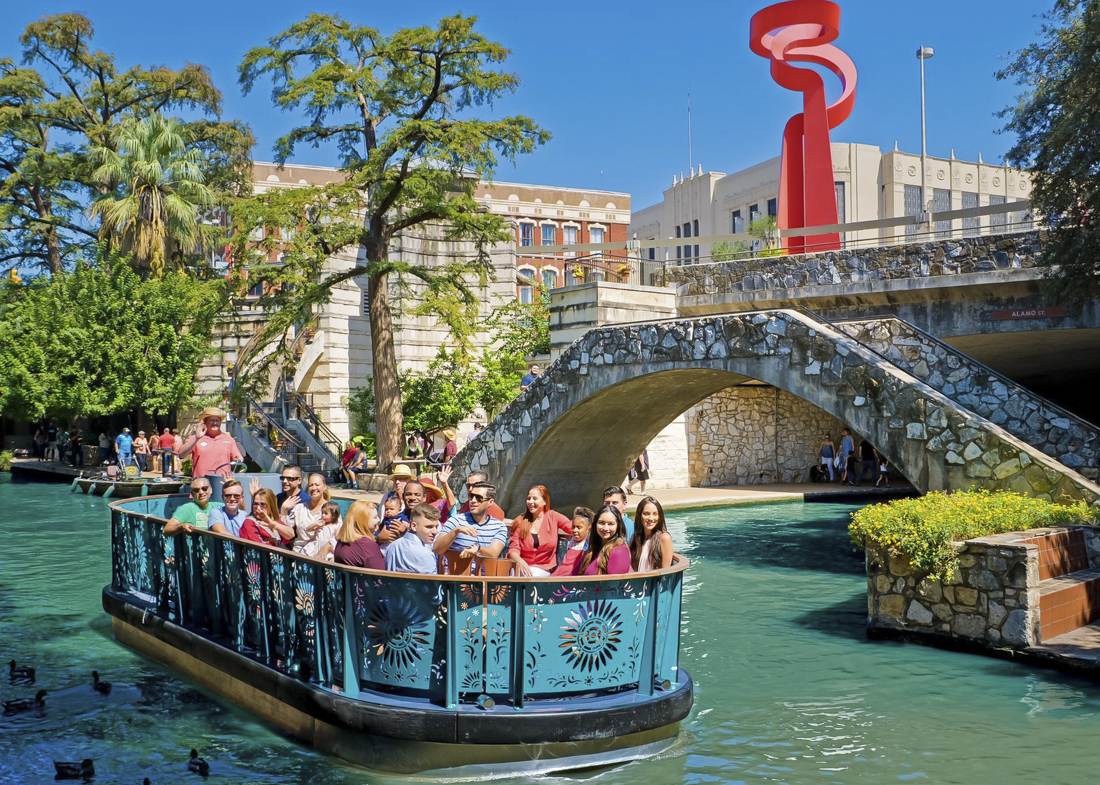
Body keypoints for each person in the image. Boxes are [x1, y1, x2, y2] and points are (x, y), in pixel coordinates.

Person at [433, 481, 508, 564]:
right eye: (471, 497)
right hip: (456, 575)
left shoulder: (499, 527)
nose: (473, 501)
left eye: (479, 498)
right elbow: (437, 549)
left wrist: (478, 549)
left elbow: (494, 553)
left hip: (482, 575)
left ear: (490, 502)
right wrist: (456, 531)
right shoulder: (455, 521)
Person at [508, 485, 573, 577]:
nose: (530, 502)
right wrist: (520, 561)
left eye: (535, 498)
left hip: (543, 568)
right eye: (528, 498)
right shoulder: (520, 521)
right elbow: (514, 548)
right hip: (521, 566)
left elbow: (573, 528)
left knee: (530, 576)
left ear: (545, 501)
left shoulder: (553, 517)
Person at [179, 407, 244, 480]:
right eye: (212, 420)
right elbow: (181, 454)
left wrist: (238, 459)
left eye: (217, 420)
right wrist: (196, 438)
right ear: (205, 422)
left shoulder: (229, 440)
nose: (215, 423)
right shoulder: (195, 438)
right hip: (201, 485)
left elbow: (238, 458)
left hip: (223, 483)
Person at [574, 505, 631, 576]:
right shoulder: (592, 549)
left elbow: (614, 585)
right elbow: (574, 574)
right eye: (601, 523)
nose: (605, 528)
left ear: (618, 526)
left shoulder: (619, 551)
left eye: (611, 524)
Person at [385, 503, 441, 575]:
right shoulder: (425, 555)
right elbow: (433, 585)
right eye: (429, 527)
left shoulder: (392, 547)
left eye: (436, 527)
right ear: (414, 526)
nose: (435, 532)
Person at [285, 473, 333, 552]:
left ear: (324, 487)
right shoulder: (299, 508)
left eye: (317, 485)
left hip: (321, 554)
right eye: (311, 485)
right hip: (300, 553)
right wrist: (284, 511)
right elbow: (287, 532)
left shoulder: (331, 510)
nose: (314, 488)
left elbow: (336, 535)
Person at [333, 500, 385, 569]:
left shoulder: (341, 542)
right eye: (375, 517)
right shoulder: (368, 546)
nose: (378, 520)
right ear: (363, 522)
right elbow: (380, 576)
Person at [630, 496, 674, 571]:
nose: (651, 518)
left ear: (660, 516)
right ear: (639, 516)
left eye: (655, 514)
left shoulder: (664, 538)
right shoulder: (635, 537)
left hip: (653, 582)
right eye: (646, 514)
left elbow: (666, 572)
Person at [553, 507, 594, 576]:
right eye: (573, 527)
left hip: (571, 578)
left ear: (588, 529)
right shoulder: (571, 542)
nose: (575, 530)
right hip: (559, 575)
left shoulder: (586, 545)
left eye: (579, 527)